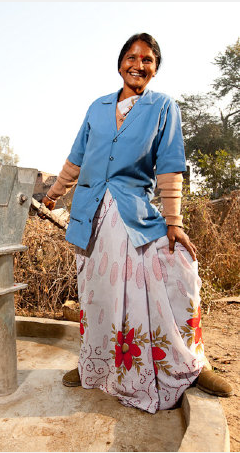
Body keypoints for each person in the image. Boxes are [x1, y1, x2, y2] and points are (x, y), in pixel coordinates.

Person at [41, 33, 232, 413]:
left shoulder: (163, 107)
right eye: (132, 57)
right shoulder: (97, 107)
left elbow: (171, 166)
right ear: (119, 64)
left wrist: (174, 222)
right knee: (97, 296)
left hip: (132, 216)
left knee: (180, 274)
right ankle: (94, 365)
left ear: (155, 69)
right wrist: (52, 194)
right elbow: (75, 160)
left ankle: (190, 364)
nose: (138, 65)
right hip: (90, 219)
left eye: (148, 60)